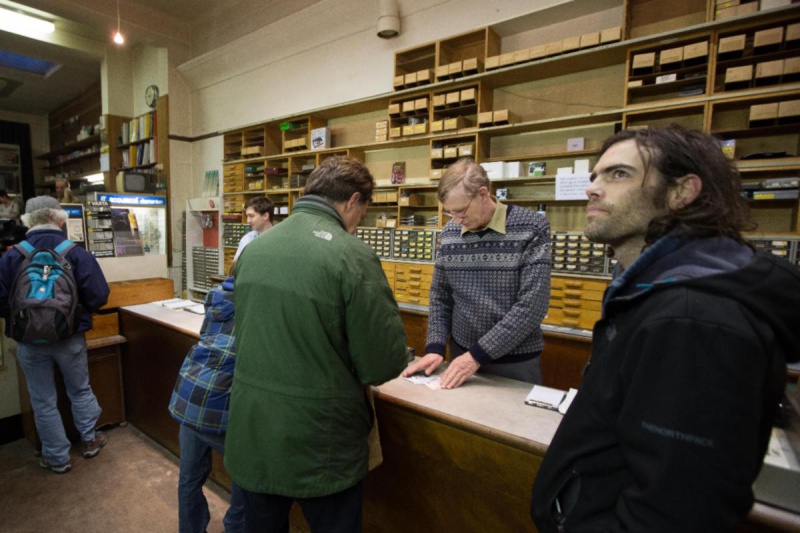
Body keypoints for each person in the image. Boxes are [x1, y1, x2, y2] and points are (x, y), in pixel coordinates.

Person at [530, 126, 800, 532]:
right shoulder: (656, 293)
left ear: (682, 192)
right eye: (594, 176)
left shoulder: (697, 320)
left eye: (618, 174)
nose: (592, 189)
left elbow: (674, 509)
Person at [225, 155, 408, 532]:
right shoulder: (352, 255)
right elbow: (381, 364)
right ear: (353, 201)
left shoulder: (254, 250)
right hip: (320, 443)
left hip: (255, 431)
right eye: (363, 212)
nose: (359, 224)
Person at [402, 157, 551, 389]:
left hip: (514, 362)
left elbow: (532, 306)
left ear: (483, 193)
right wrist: (436, 347)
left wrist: (476, 356)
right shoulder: (451, 232)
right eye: (450, 213)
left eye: (460, 211)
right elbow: (440, 296)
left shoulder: (531, 228)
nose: (457, 221)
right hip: (461, 355)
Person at [0, 196, 110, 474]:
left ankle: (57, 457)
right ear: (59, 218)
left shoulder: (12, 255)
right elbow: (99, 296)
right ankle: (89, 441)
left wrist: (26, 321)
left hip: (28, 341)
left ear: (27, 221)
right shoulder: (76, 252)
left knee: (42, 399)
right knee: (80, 390)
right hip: (69, 337)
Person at [168, 276, 244, 533]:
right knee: (248, 480)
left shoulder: (218, 296)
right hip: (217, 404)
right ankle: (235, 526)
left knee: (189, 478)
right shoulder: (254, 305)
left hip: (190, 394)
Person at [232, 196, 274, 262]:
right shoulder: (247, 239)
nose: (248, 221)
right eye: (247, 216)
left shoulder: (280, 239)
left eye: (251, 216)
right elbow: (235, 266)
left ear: (265, 216)